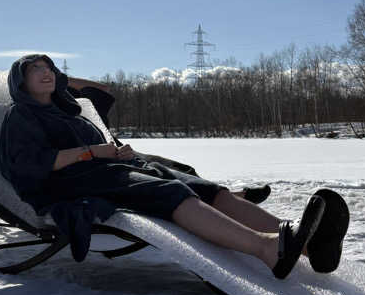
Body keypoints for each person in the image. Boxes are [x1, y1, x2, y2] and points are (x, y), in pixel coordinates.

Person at [0, 54, 348, 278]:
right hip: (71, 183)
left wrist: (114, 151)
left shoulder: (70, 109)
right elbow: (31, 166)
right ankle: (266, 248)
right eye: (35, 70)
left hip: (110, 170)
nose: (46, 73)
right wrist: (92, 153)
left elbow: (100, 91)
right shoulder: (22, 115)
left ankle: (307, 245)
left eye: (50, 68)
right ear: (20, 81)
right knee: (170, 192)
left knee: (204, 188)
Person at [63, 74, 272, 204]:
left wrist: (63, 79)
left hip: (117, 148)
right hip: (95, 159)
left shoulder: (71, 96)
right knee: (157, 172)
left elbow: (103, 90)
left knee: (180, 168)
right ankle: (219, 202)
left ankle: (226, 198)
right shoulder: (45, 108)